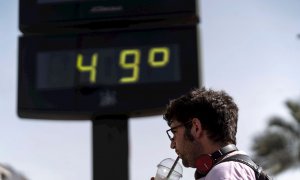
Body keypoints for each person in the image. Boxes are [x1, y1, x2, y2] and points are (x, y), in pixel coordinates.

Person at [152, 87, 258, 180]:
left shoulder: (224, 173)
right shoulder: (231, 170)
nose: (172, 145)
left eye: (174, 132)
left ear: (196, 127)